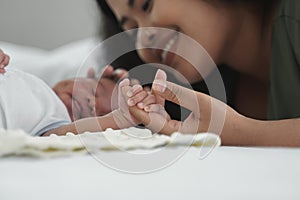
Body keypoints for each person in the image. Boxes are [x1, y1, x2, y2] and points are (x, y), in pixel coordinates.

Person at [94, 0, 300, 147]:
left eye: (146, 5)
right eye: (132, 29)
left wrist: (239, 131)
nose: (143, 41)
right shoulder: (227, 95)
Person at [0, 49, 154, 136]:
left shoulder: (53, 121)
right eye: (94, 92)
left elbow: (66, 134)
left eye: (100, 115)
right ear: (75, 78)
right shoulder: (34, 84)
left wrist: (122, 118)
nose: (92, 104)